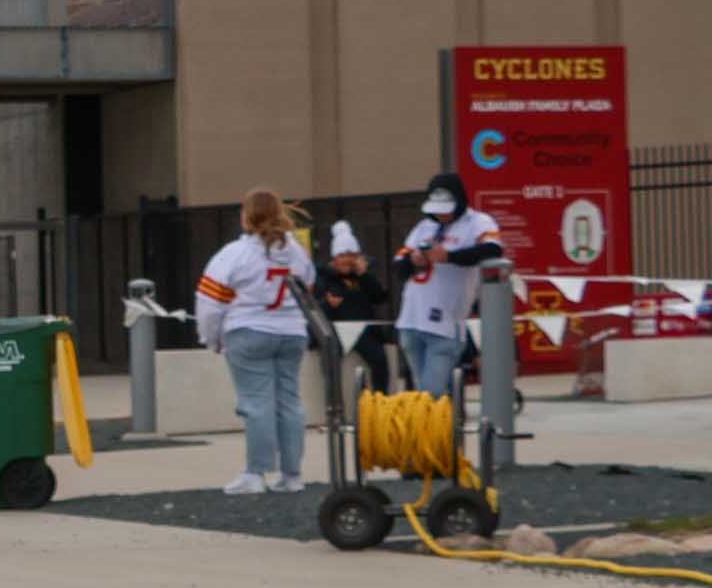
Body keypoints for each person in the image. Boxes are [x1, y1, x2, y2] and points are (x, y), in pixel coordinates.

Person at [194, 188, 315, 496]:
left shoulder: (235, 253)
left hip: (248, 331)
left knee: (257, 404)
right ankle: (292, 476)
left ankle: (256, 473)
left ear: (246, 217)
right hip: (292, 331)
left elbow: (209, 302)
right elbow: (308, 290)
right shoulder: (297, 252)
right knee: (290, 402)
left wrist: (212, 339)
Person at [395, 171, 504, 400]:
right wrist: (413, 260)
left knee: (432, 393)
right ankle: (432, 432)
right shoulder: (423, 227)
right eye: (436, 210)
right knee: (419, 394)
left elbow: (493, 250)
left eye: (446, 210)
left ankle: (443, 432)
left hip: (444, 323)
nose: (441, 216)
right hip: (411, 319)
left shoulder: (478, 222)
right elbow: (398, 263)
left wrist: (449, 257)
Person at [316, 221, 391, 395]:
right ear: (334, 258)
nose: (347, 260)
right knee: (329, 363)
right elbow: (315, 306)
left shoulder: (363, 277)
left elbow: (379, 297)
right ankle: (335, 406)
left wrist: (364, 276)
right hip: (335, 331)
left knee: (379, 360)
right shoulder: (324, 277)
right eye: (343, 255)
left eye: (351, 255)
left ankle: (380, 401)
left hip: (363, 331)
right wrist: (328, 305)